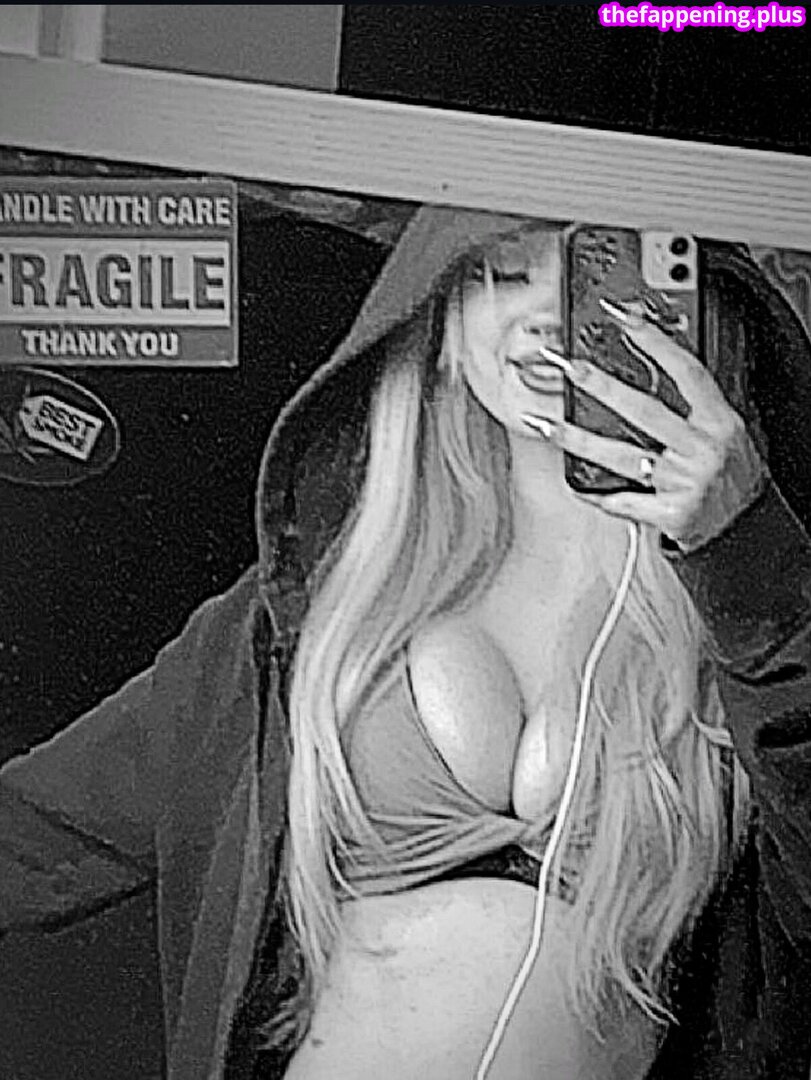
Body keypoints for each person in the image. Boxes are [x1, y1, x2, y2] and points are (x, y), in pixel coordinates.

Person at [2, 205, 811, 1080]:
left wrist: (742, 550)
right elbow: (36, 831)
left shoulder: (755, 605)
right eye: (499, 272)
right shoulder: (314, 606)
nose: (544, 315)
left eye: (590, 274)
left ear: (692, 315)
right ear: (439, 319)